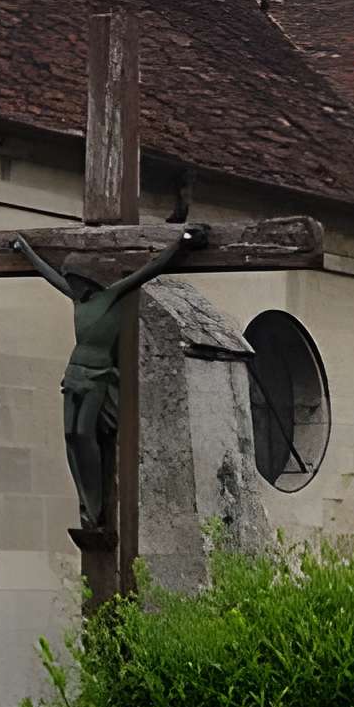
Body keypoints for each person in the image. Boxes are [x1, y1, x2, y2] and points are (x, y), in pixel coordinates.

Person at [19, 221, 206, 539]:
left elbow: (149, 269)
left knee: (83, 433)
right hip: (74, 373)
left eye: (75, 280)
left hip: (99, 375)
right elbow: (48, 275)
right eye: (70, 281)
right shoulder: (80, 301)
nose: (71, 285)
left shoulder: (112, 296)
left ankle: (96, 506)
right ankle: (85, 502)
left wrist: (181, 245)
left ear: (88, 279)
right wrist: (25, 252)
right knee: (70, 437)